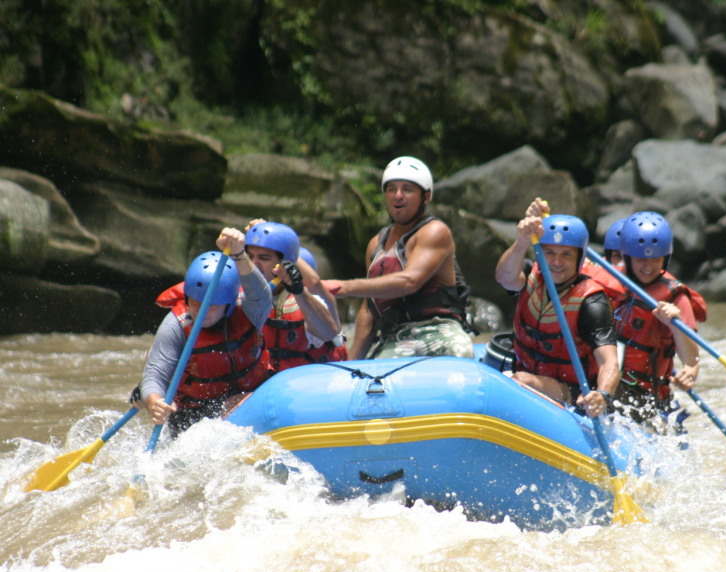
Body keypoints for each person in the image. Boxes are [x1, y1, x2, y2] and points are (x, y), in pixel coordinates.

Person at [326, 156, 474, 360]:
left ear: (426, 197)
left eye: (407, 189)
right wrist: (351, 365)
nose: (398, 196)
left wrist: (344, 287)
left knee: (458, 354)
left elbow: (409, 282)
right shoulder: (375, 244)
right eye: (391, 189)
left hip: (439, 331)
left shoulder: (435, 231)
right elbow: (369, 311)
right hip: (395, 338)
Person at [135, 228, 273, 436]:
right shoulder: (176, 324)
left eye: (211, 306)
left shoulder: (249, 310)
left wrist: (239, 254)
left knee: (238, 403)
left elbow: (261, 293)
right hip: (196, 415)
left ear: (227, 305)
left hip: (251, 398)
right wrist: (154, 402)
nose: (200, 312)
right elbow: (155, 375)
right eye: (196, 304)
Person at [494, 198, 620, 418]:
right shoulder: (532, 279)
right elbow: (504, 278)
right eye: (550, 252)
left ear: (579, 258)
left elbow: (609, 361)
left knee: (523, 380)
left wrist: (602, 395)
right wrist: (522, 241)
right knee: (519, 377)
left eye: (566, 254)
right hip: (525, 368)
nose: (556, 262)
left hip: (572, 389)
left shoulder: (592, 303)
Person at [611, 211, 706, 431]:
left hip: (643, 395)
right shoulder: (609, 280)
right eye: (640, 259)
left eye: (655, 259)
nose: (648, 266)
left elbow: (691, 360)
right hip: (604, 379)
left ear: (666, 258)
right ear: (627, 257)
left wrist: (675, 324)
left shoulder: (676, 298)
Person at [244, 220, 346, 370]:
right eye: (250, 257)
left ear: (285, 263)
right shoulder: (235, 292)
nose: (254, 264)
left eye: (264, 258)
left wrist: (298, 290)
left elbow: (329, 333)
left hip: (299, 385)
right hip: (257, 385)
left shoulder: (305, 298)